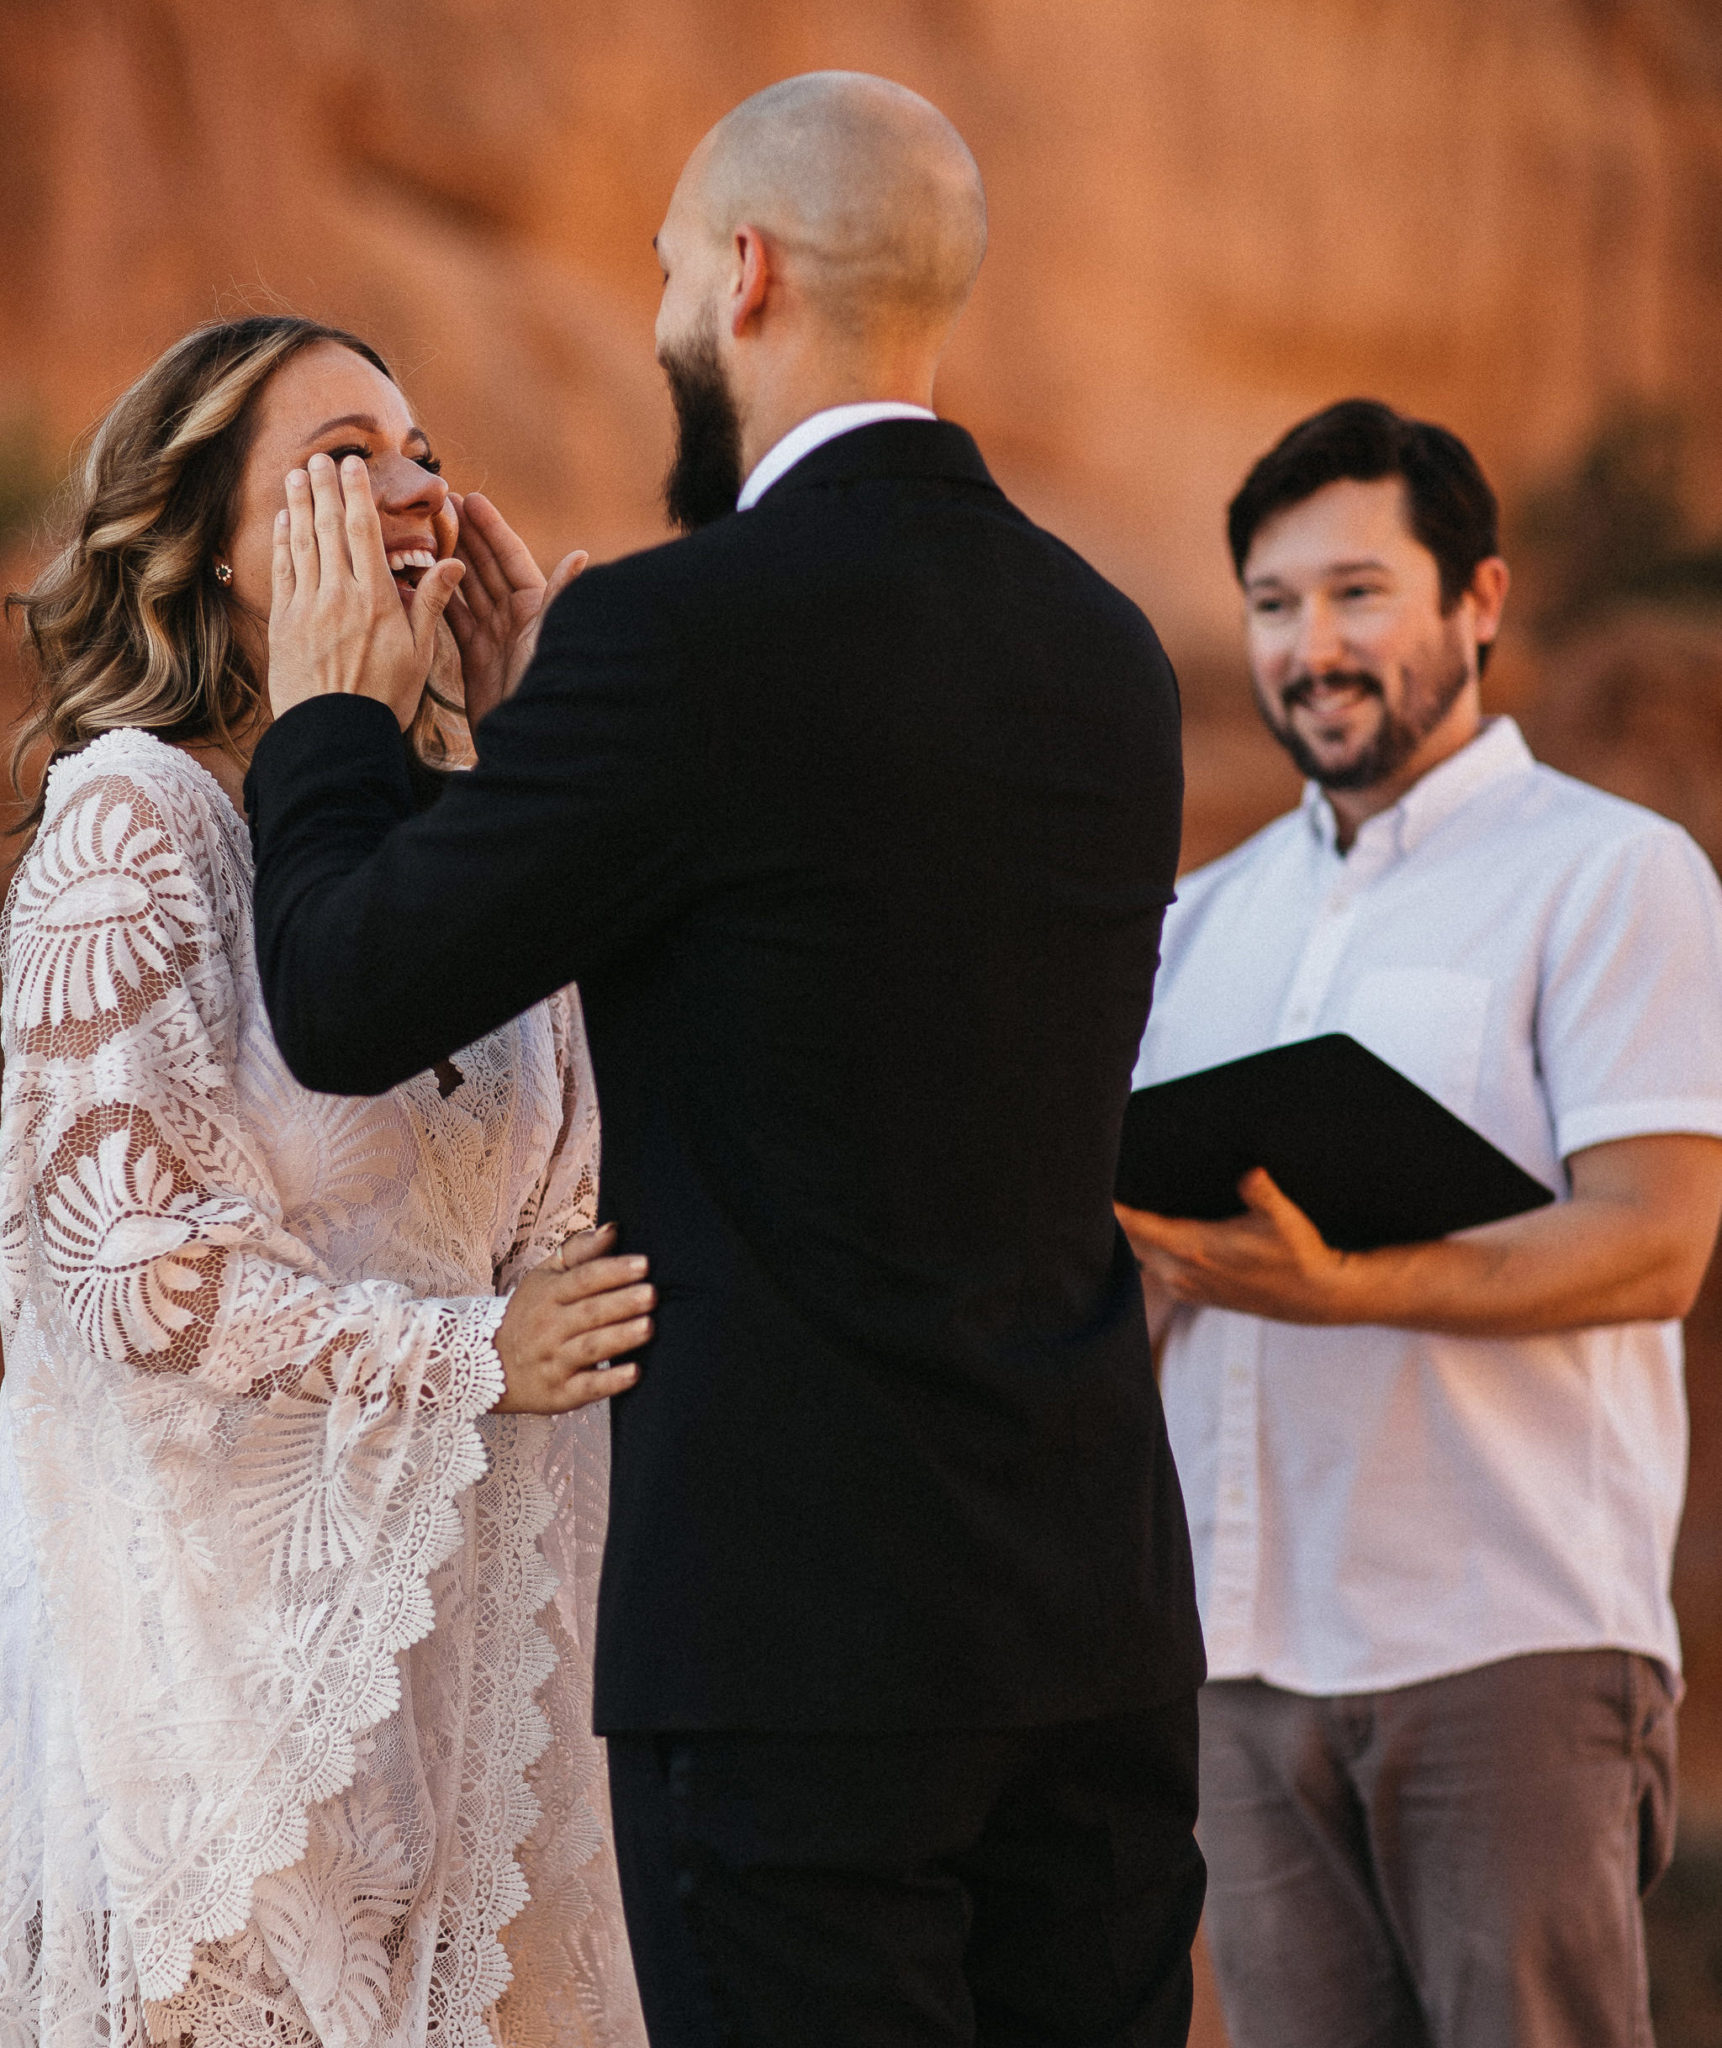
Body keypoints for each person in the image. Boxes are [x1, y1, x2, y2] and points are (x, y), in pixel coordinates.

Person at [242, 71, 1206, 2048]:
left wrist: (332, 716)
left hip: (800, 1651)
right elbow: (816, 971)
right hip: (1094, 1616)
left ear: (745, 277)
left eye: (675, 273)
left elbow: (343, 996)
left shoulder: (685, 635)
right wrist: (549, 759)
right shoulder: (1106, 647)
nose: (671, 311)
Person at [0, 315, 651, 2047]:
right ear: (213, 541)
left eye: (423, 452)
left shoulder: (440, 837)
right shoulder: (128, 825)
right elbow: (126, 1267)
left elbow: (585, 1183)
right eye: (346, 458)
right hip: (230, 1704)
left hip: (479, 1677)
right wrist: (464, 1356)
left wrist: (536, 768)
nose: (417, 490)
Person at [1118, 397, 1722, 2048]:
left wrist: (1349, 1286)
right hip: (1236, 1658)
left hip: (1502, 1643)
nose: (1310, 647)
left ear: (1478, 601)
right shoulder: (1196, 921)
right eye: (1272, 604)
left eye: (1357, 593)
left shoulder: (1609, 875)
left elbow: (1656, 1239)